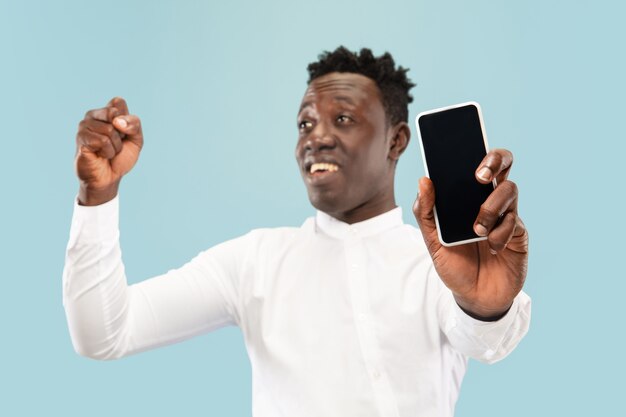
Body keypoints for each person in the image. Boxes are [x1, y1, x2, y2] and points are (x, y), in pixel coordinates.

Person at [63, 46, 531, 417]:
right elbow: (104, 333)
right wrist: (97, 197)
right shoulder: (254, 262)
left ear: (396, 140)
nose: (316, 137)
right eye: (304, 123)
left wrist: (483, 306)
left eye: (343, 119)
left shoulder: (441, 265)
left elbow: (485, 343)